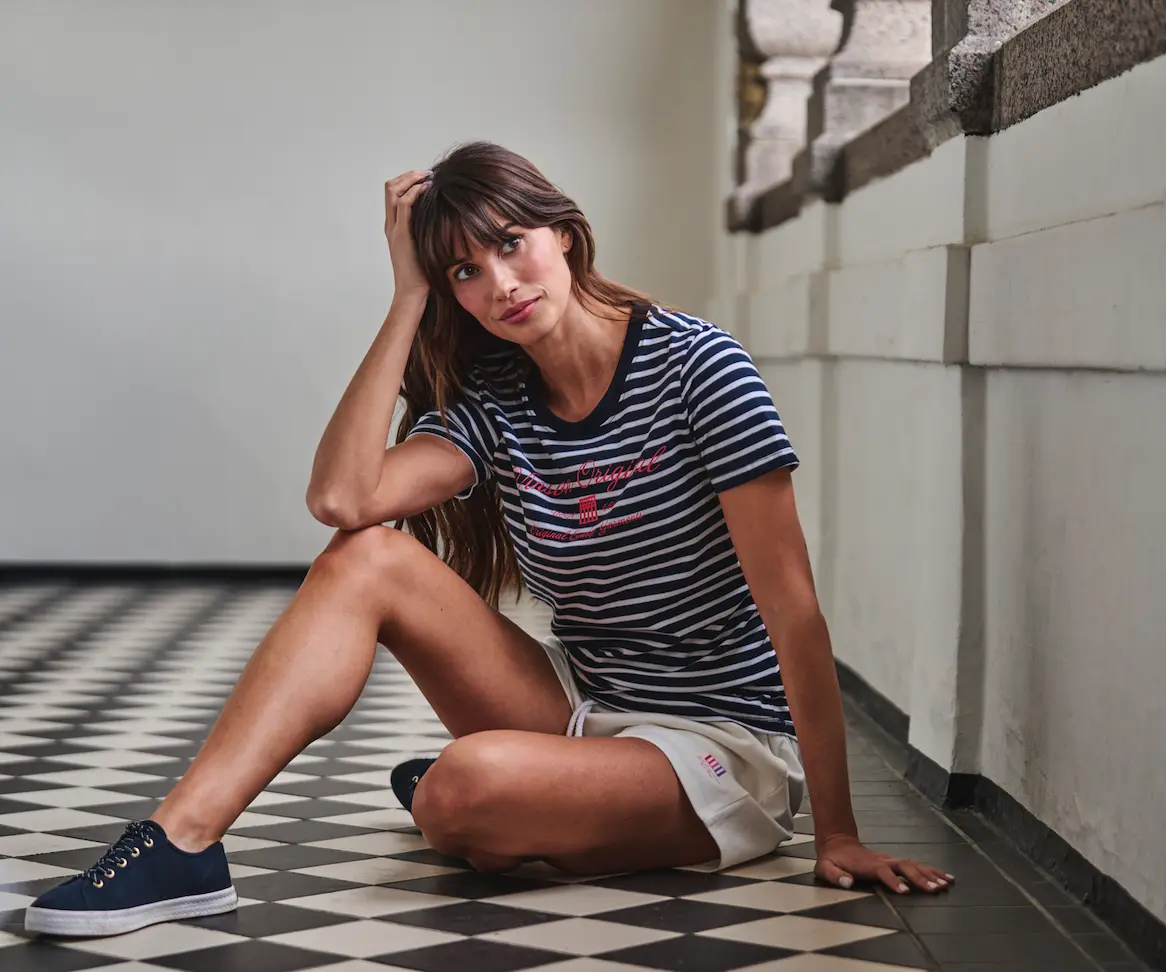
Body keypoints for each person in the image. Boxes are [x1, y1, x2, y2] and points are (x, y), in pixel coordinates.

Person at [25, 141, 954, 938]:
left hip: (720, 744)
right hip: (585, 705)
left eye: (511, 244)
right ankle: (182, 843)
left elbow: (794, 614)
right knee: (367, 556)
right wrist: (406, 299)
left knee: (462, 789)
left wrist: (835, 830)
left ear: (564, 234)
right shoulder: (497, 402)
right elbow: (343, 498)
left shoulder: (699, 369)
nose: (500, 284)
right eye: (464, 272)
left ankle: (505, 799)